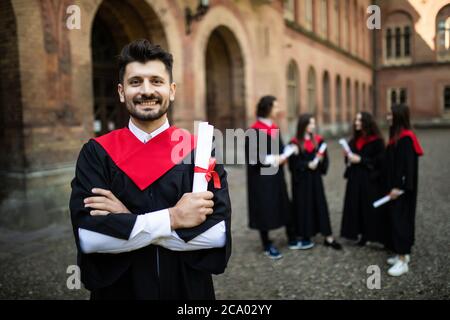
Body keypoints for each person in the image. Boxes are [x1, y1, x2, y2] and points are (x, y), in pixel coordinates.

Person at [69, 39, 232, 299]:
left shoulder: (197, 151)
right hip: (120, 290)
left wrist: (128, 220)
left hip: (186, 290)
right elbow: (91, 237)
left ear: (172, 89)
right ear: (122, 92)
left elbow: (215, 235)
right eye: (136, 82)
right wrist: (174, 218)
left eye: (156, 81)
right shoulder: (97, 153)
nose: (146, 90)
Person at [245, 96, 298, 260]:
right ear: (267, 108)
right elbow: (253, 158)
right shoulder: (253, 131)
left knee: (283, 202)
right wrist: (275, 159)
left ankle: (292, 236)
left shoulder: (274, 128)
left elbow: (281, 149)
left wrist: (287, 152)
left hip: (276, 175)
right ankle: (266, 243)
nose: (278, 110)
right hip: (261, 178)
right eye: (275, 107)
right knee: (264, 207)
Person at [288, 114, 342, 250]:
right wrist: (306, 165)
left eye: (313, 123)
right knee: (303, 206)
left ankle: (328, 236)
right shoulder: (294, 143)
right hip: (301, 181)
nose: (313, 126)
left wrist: (321, 161)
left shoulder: (319, 141)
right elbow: (292, 165)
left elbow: (326, 160)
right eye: (310, 123)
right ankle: (305, 234)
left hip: (315, 180)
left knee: (320, 204)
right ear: (303, 125)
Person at [384, 104, 423, 277]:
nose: (387, 118)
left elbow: (408, 168)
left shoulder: (406, 139)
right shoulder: (396, 136)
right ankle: (402, 255)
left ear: (398, 117)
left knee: (402, 221)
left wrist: (398, 188)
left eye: (390, 115)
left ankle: (402, 261)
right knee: (395, 220)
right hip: (394, 187)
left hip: (402, 190)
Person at [340, 112, 385, 246]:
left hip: (369, 179)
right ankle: (360, 234)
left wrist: (361, 160)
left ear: (367, 122)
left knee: (368, 207)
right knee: (356, 206)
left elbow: (380, 161)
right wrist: (347, 157)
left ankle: (373, 235)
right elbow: (349, 159)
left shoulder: (377, 141)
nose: (356, 122)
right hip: (355, 178)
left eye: (359, 120)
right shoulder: (353, 140)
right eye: (356, 120)